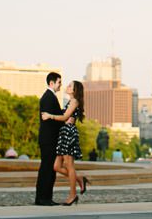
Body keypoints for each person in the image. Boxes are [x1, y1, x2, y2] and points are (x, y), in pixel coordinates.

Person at [42, 80, 90, 206]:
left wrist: (49, 116)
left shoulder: (74, 101)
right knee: (56, 166)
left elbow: (64, 117)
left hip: (69, 133)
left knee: (69, 165)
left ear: (75, 90)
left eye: (70, 86)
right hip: (63, 133)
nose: (67, 87)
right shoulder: (70, 101)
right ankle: (79, 178)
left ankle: (73, 195)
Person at [35, 72, 66, 206]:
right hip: (49, 139)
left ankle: (42, 197)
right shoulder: (49, 98)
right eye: (59, 82)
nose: (61, 85)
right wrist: (65, 117)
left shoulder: (49, 97)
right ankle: (44, 198)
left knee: (46, 168)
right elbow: (51, 120)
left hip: (47, 139)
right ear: (51, 83)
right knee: (48, 169)